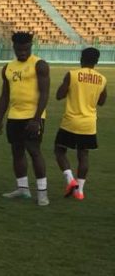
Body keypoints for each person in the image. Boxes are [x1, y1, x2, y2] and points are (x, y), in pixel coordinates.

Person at [0, 31, 50, 206]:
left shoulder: (39, 65)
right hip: (14, 117)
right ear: (14, 48)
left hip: (32, 117)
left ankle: (42, 193)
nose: (23, 53)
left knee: (34, 152)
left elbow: (44, 93)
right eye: (19, 50)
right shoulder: (8, 68)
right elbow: (4, 95)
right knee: (17, 152)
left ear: (31, 47)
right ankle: (22, 188)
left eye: (26, 49)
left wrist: (36, 119)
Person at [54, 47, 106, 201]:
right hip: (89, 123)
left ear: (81, 59)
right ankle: (80, 192)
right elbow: (102, 102)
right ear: (97, 61)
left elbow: (59, 95)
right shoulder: (102, 79)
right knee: (83, 155)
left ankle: (70, 180)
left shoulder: (72, 75)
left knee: (59, 151)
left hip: (70, 121)